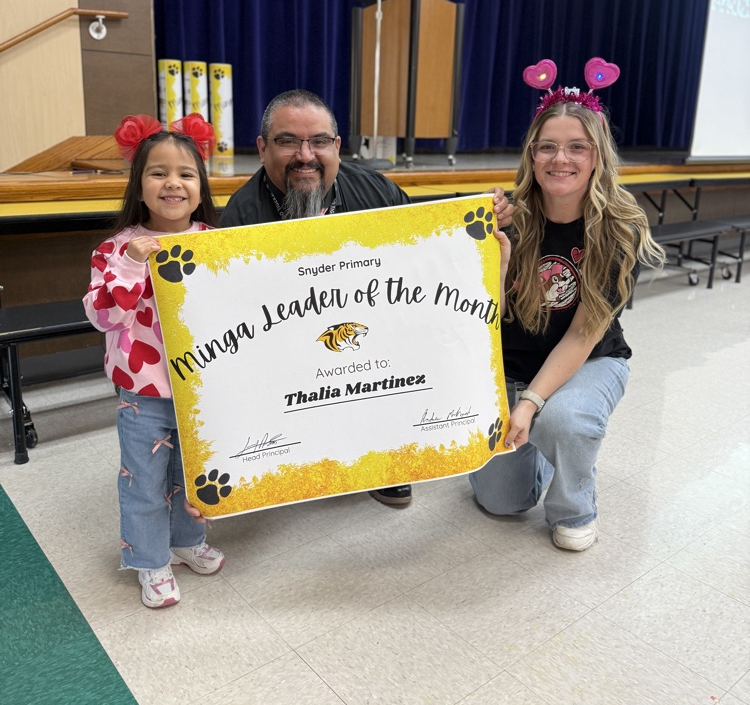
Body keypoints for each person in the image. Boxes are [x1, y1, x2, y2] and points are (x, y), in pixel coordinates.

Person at [219, 88, 514, 507]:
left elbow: (427, 261)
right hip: (289, 349)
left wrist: (483, 224)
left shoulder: (376, 192)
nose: (306, 155)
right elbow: (238, 322)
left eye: (319, 141)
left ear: (337, 147)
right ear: (263, 148)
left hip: (376, 337)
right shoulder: (240, 218)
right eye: (287, 141)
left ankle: (389, 459)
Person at [470, 58, 665, 550]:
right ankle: (539, 447)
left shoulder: (620, 228)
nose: (561, 158)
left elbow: (582, 335)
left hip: (590, 361)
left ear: (597, 156)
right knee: (501, 502)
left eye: (577, 146)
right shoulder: (504, 217)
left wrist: (530, 403)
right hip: (514, 364)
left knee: (565, 420)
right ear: (532, 155)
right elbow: (482, 315)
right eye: (548, 146)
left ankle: (575, 505)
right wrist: (499, 259)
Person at [83, 113, 226, 608]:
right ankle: (149, 560)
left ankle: (186, 541)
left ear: (201, 186)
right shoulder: (114, 249)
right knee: (144, 482)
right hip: (143, 394)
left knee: (191, 473)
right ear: (139, 185)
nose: (173, 183)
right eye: (158, 172)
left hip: (200, 389)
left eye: (186, 173)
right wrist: (131, 264)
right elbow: (103, 316)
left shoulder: (214, 242)